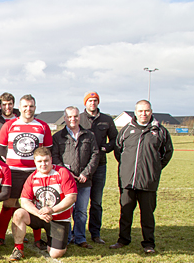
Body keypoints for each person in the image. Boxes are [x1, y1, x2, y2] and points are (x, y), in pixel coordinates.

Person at [110, 100, 173, 254]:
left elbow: (167, 153)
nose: (143, 114)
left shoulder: (160, 131)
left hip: (148, 182)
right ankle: (123, 240)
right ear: (135, 112)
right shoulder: (126, 130)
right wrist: (127, 168)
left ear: (151, 111)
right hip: (127, 181)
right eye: (140, 111)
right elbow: (118, 152)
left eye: (146, 111)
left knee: (147, 215)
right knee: (125, 212)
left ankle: (148, 244)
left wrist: (154, 168)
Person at [0, 94, 53, 248]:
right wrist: (7, 167)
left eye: (31, 106)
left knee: (37, 204)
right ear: (19, 108)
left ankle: (37, 238)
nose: (28, 109)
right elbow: (0, 149)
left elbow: (47, 150)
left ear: (35, 107)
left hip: (35, 173)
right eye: (25, 106)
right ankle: (1, 237)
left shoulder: (43, 126)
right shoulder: (9, 125)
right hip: (14, 172)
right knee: (9, 204)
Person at [10, 147, 77, 261]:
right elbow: (25, 201)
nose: (43, 164)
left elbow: (71, 197)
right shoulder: (32, 177)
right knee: (18, 213)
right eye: (40, 161)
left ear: (51, 159)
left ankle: (55, 241)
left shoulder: (62, 172)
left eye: (46, 160)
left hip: (58, 218)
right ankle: (18, 248)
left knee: (55, 254)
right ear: (35, 162)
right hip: (40, 216)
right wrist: (38, 213)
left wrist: (53, 210)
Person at [52, 107, 99, 249]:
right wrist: (66, 173)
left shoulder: (89, 135)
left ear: (79, 117)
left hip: (84, 181)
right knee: (66, 210)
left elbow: (95, 155)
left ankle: (80, 238)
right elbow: (55, 156)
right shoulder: (58, 137)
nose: (73, 119)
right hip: (65, 181)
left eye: (76, 116)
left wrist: (86, 173)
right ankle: (65, 238)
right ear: (65, 118)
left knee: (81, 211)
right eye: (70, 116)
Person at [79, 91, 118, 245]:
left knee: (96, 202)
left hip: (99, 166)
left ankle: (95, 233)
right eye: (90, 101)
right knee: (78, 203)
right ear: (85, 103)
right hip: (81, 166)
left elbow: (115, 138)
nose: (92, 103)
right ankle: (77, 233)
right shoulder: (79, 118)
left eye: (95, 101)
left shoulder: (107, 120)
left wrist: (106, 148)